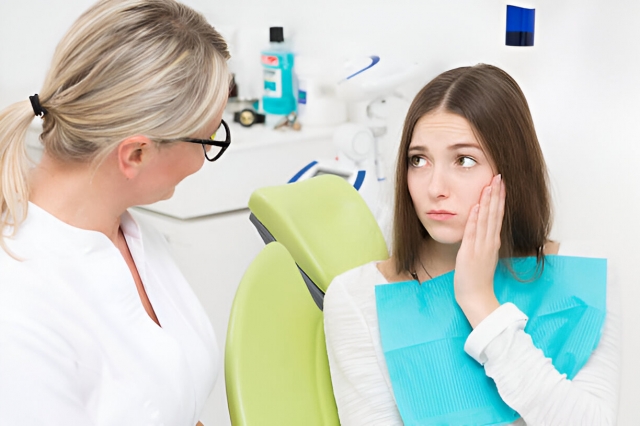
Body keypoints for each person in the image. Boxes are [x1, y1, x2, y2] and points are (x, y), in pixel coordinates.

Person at [323, 64, 620, 425]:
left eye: (464, 160)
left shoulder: (582, 274)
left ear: (512, 170)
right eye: (419, 160)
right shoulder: (358, 298)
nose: (435, 188)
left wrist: (481, 304)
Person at [0, 1, 231, 424]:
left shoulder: (134, 236)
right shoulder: (17, 311)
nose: (204, 159)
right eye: (208, 139)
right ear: (136, 153)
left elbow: (178, 404)